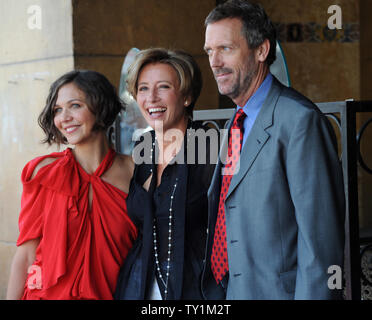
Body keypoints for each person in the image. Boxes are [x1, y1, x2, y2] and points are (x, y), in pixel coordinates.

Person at [201, 0, 345, 300]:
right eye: (209, 51)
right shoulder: (235, 124)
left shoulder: (299, 120)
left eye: (225, 48)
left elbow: (321, 247)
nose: (214, 62)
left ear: (262, 50)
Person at [6, 70, 137, 300]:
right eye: (58, 109)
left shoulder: (135, 173)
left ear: (100, 106)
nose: (63, 117)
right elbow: (26, 256)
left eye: (75, 105)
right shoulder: (43, 173)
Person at [114, 48, 216, 300]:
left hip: (196, 289)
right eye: (143, 89)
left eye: (163, 87)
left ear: (187, 96)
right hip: (140, 285)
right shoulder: (144, 146)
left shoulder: (209, 145)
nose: (152, 98)